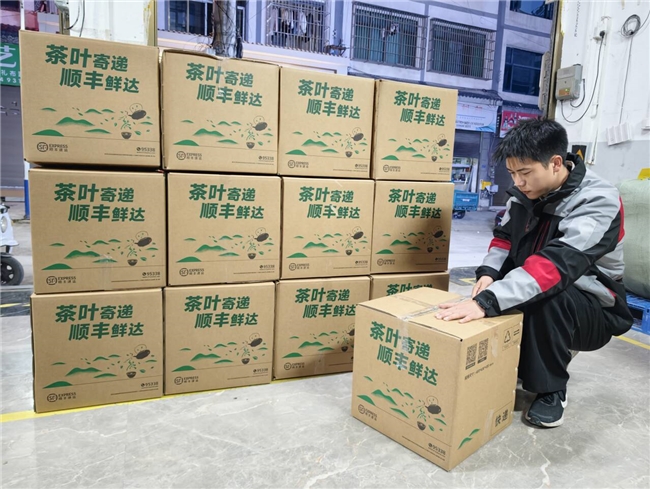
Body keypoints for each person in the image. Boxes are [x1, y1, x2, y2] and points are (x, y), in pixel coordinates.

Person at [436, 119, 633, 428]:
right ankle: (521, 362)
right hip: (541, 280)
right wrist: (488, 274)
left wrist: (487, 301)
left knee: (546, 296)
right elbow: (504, 238)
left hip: (592, 303)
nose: (518, 182)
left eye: (525, 173)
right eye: (512, 173)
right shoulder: (523, 195)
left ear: (555, 163)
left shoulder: (597, 200)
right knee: (504, 291)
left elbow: (557, 265)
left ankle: (551, 389)